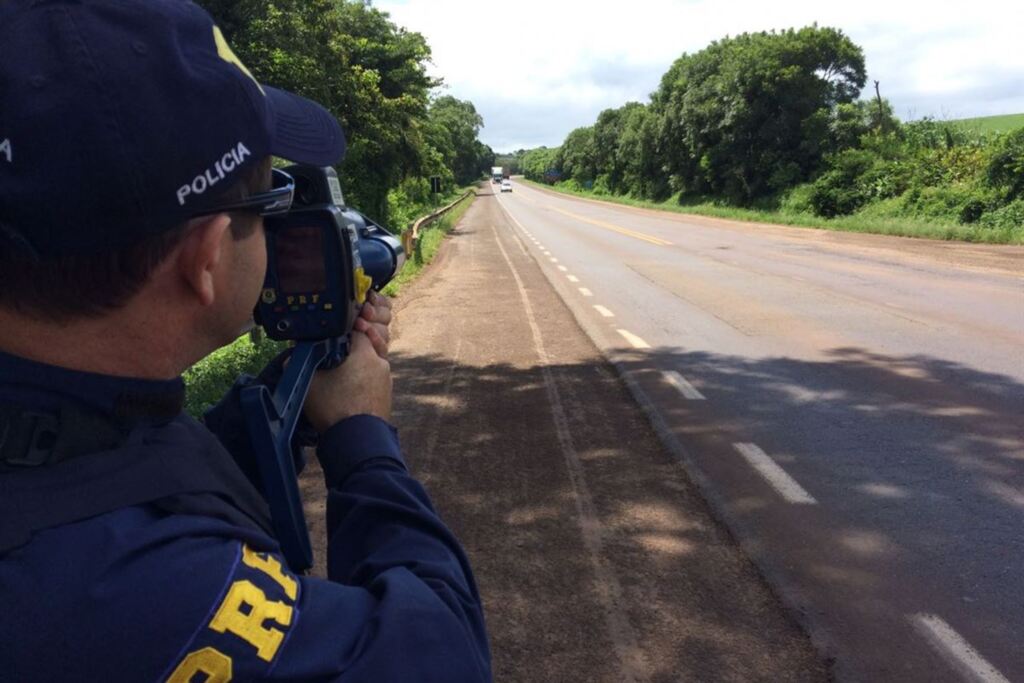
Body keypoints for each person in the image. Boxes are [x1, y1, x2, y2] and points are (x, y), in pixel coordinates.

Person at [0, 1, 491, 681]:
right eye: (267, 209)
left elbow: (107, 471)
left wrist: (274, 410)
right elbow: (445, 655)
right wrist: (362, 440)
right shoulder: (153, 593)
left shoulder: (52, 422)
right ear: (205, 257)